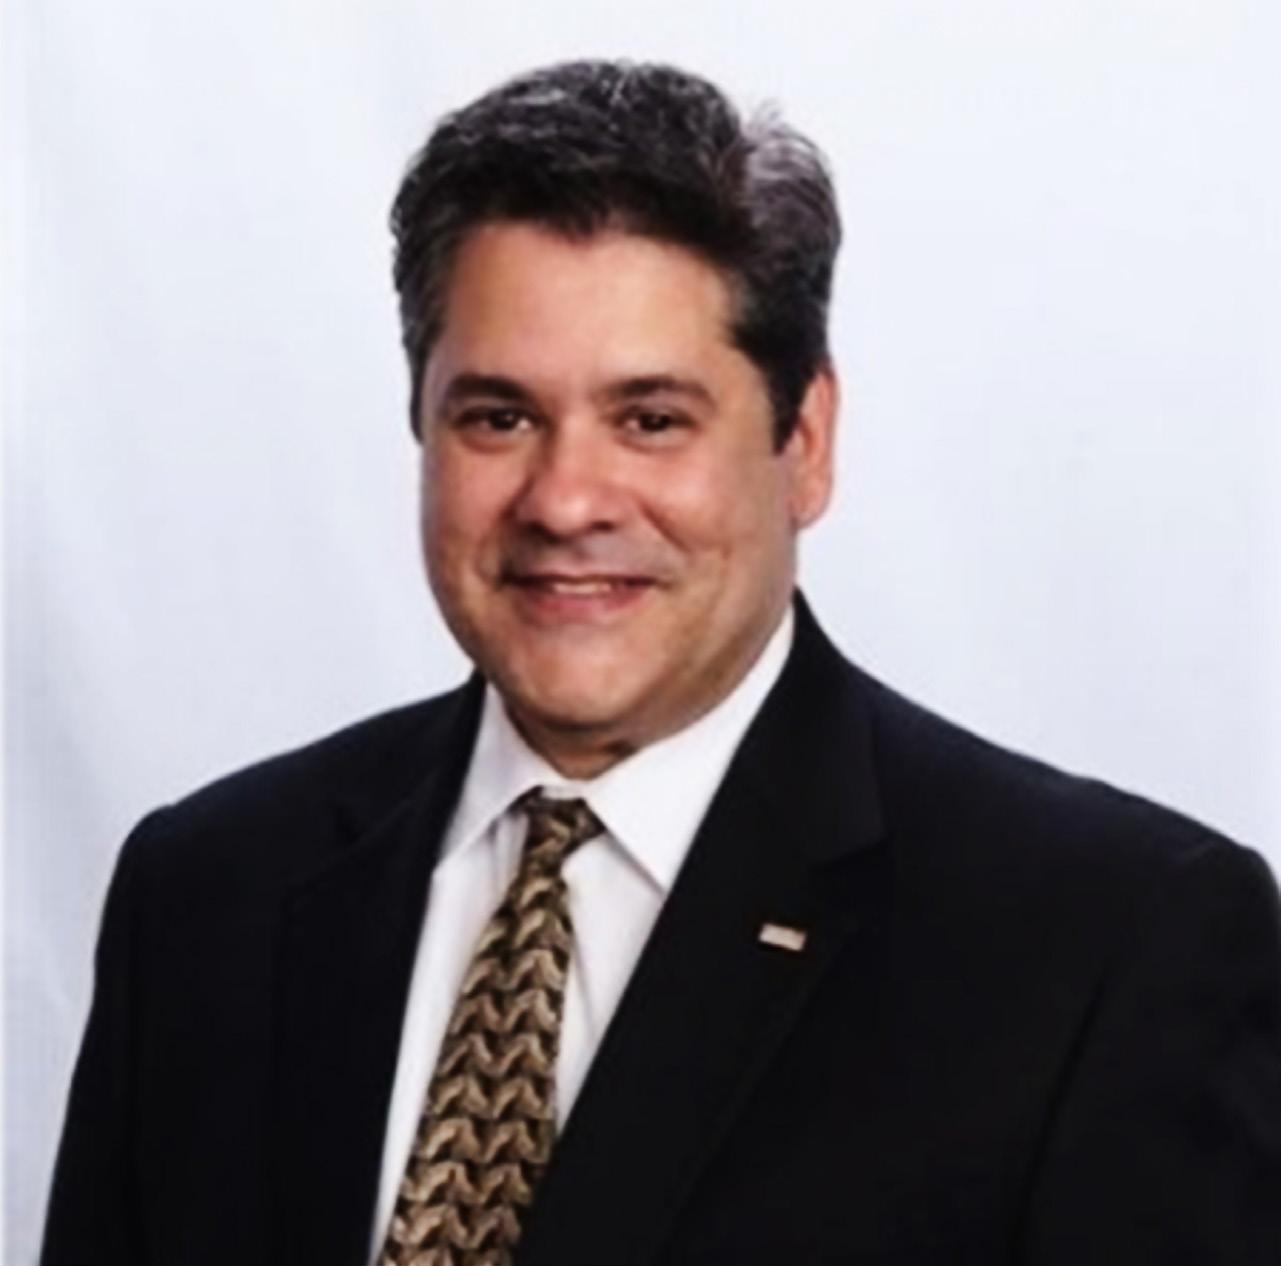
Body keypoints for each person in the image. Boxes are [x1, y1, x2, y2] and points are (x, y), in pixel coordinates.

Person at [42, 59, 1281, 1266]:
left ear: (805, 442)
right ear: (422, 425)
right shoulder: (207, 895)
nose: (565, 499)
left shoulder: (1106, 948)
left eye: (650, 420)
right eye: (499, 417)